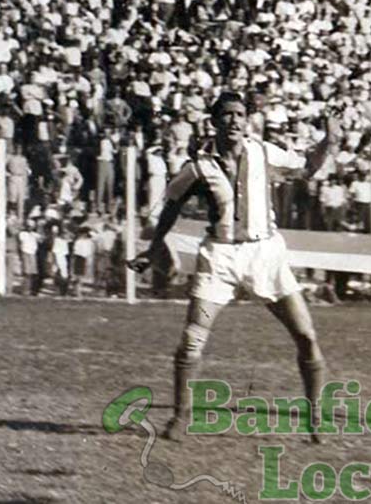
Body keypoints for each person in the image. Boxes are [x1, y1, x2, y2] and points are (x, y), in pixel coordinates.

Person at [132, 91, 338, 443]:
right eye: (226, 115)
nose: (234, 121)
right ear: (214, 122)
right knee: (192, 340)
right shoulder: (198, 167)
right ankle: (179, 419)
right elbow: (170, 206)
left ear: (247, 120)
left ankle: (316, 420)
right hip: (220, 257)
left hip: (266, 254)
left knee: (306, 336)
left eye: (240, 114)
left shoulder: (262, 152)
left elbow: (306, 169)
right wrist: (152, 250)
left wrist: (329, 142)